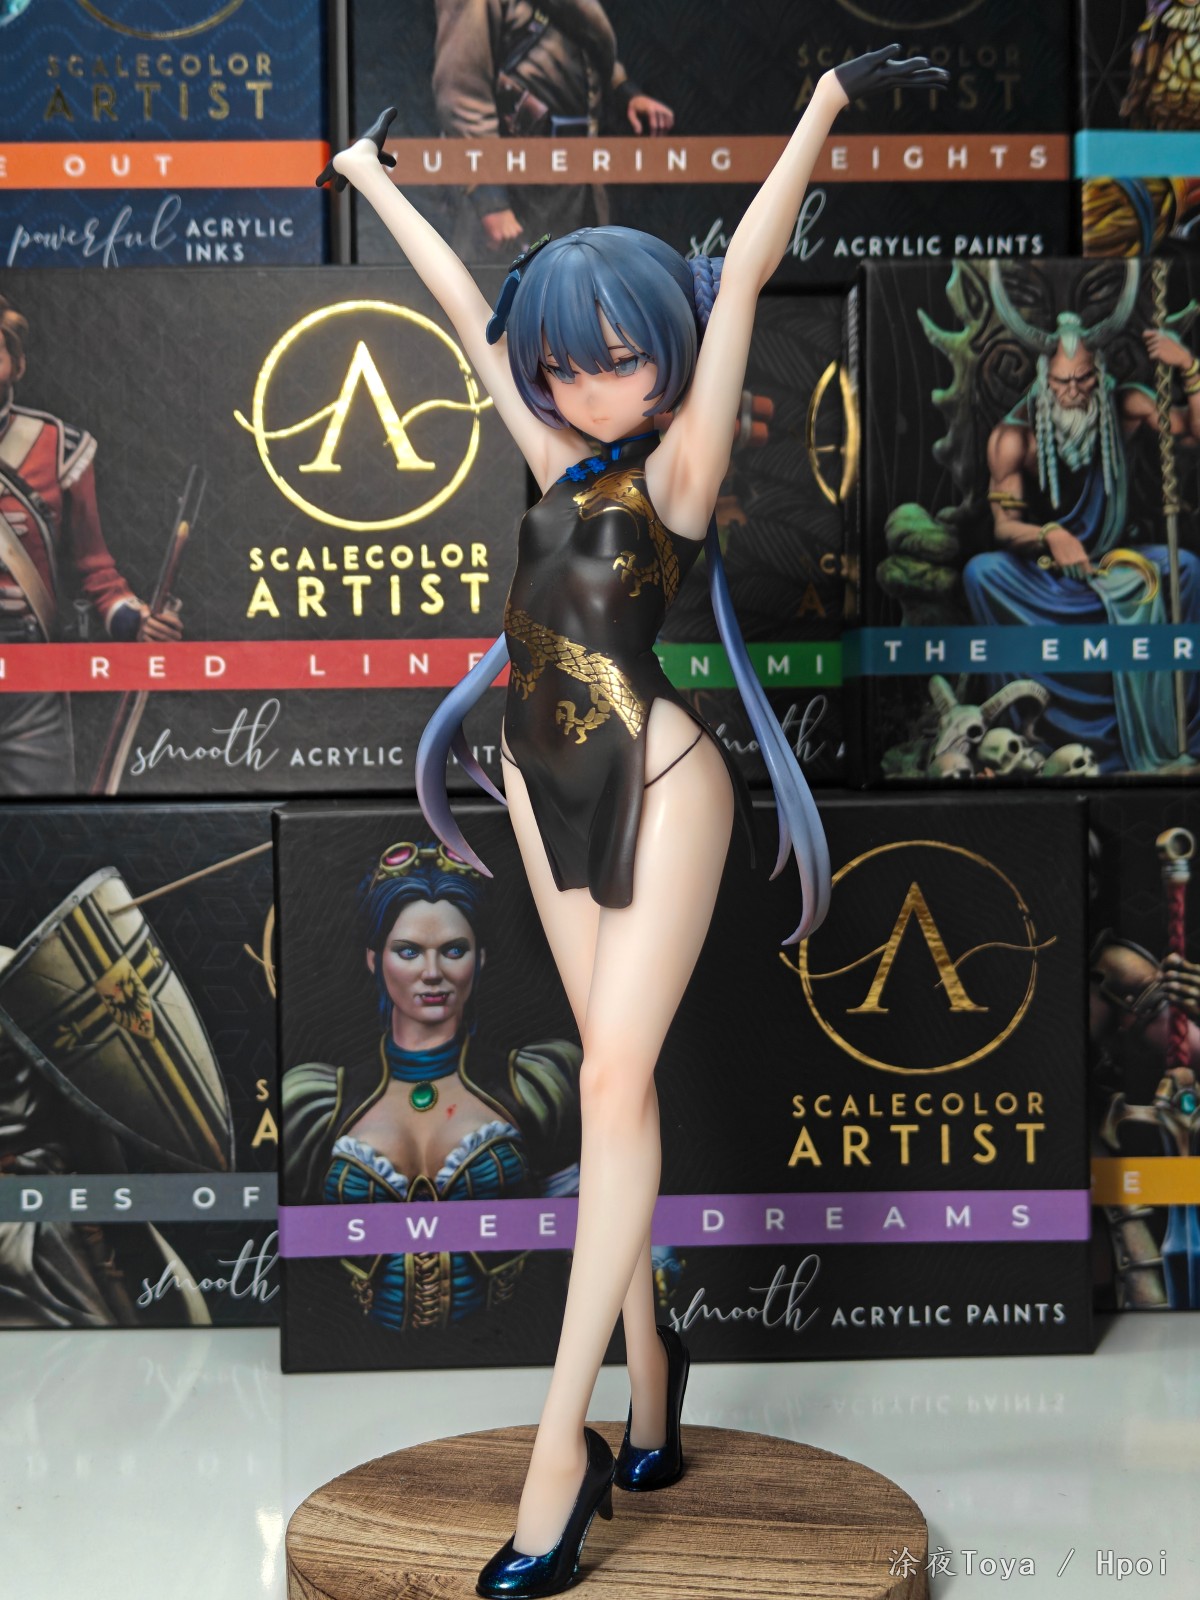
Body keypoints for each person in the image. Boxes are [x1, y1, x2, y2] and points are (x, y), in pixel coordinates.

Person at [319, 43, 942, 1595]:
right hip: (543, 787)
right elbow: (463, 311)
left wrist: (826, 101)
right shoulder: (546, 456)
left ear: (662, 359)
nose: (598, 385)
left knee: (607, 1079)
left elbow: (747, 277)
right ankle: (657, 1388)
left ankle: (566, 1452)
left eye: (623, 360)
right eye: (570, 363)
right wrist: (371, 179)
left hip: (661, 781)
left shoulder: (676, 480)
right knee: (619, 1091)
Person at [282, 841, 583, 1332]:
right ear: (374, 959)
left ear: (480, 959)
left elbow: (585, 1229)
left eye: (453, 950)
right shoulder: (315, 1101)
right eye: (408, 951)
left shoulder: (538, 1083)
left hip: (510, 1346)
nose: (432, 973)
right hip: (355, 1351)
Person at [966, 266, 1200, 772]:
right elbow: (1004, 527)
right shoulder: (1014, 436)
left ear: (1100, 375)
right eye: (1061, 382)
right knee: (982, 573)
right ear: (1043, 378)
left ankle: (1168, 735)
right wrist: (1049, 534)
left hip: (1118, 568)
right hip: (1045, 580)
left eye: (1083, 380)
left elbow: (1191, 431)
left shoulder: (1125, 405)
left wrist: (1189, 366)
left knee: (1185, 569)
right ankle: (1022, 736)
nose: (1072, 392)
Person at [0, 296, 183, 795]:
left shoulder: (59, 446)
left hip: (29, 676)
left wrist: (137, 621)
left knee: (41, 821)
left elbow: (95, 570)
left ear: (17, 363)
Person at [431, 0, 674, 259]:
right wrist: (491, 200)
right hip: (516, 191)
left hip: (576, 181)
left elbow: (585, 42)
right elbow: (462, 92)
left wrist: (625, 92)